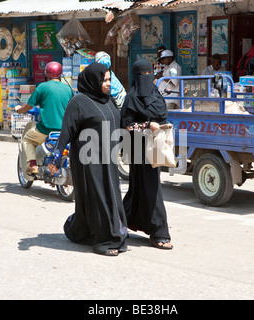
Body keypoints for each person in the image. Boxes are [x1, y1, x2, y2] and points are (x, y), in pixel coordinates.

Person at [48, 62, 128, 256]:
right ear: (93, 80)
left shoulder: (108, 100)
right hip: (88, 160)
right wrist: (55, 159)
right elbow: (65, 132)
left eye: (109, 79)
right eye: (105, 80)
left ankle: (98, 232)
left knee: (112, 196)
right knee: (98, 197)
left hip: (108, 158)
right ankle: (104, 240)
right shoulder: (78, 102)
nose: (108, 84)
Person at [120, 59, 173, 250]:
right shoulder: (132, 97)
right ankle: (159, 232)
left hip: (155, 149)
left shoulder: (156, 95)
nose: (146, 78)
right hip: (137, 149)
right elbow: (126, 124)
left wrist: (163, 126)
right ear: (136, 76)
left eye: (148, 74)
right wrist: (146, 125)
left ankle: (121, 220)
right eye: (142, 75)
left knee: (143, 188)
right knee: (147, 188)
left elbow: (162, 114)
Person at [14, 61, 73, 174]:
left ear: (46, 75)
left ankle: (33, 165)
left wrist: (19, 109)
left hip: (46, 129)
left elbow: (28, 106)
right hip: (65, 130)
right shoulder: (68, 89)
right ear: (60, 75)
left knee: (27, 139)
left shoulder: (42, 87)